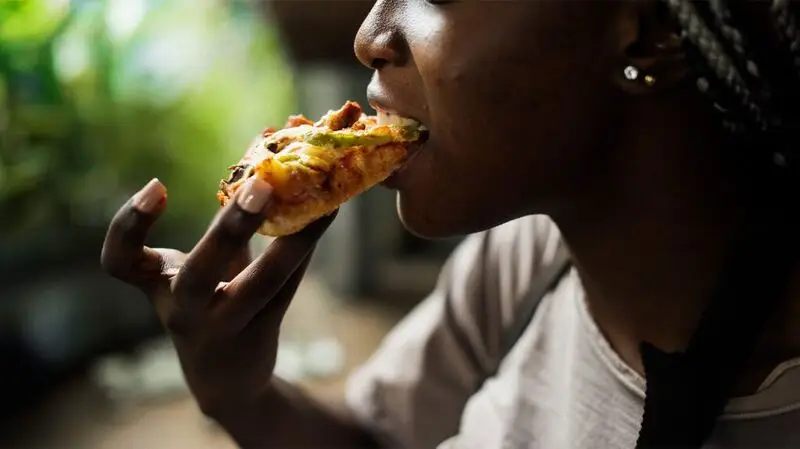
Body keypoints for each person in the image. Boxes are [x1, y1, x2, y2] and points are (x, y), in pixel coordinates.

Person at [101, 0, 800, 448]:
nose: (369, 37)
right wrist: (238, 392)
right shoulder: (527, 259)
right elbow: (379, 439)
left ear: (647, 31)